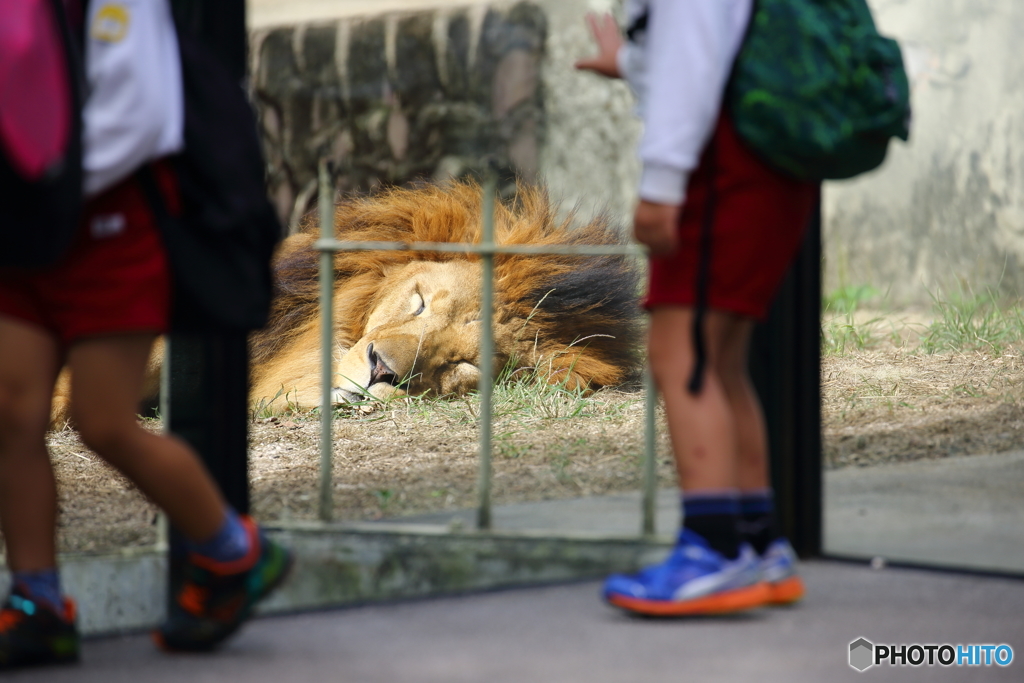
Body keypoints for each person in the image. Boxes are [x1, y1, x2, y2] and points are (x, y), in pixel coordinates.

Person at [0, 1, 291, 668]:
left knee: (102, 421)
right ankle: (37, 604)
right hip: (19, 231)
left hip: (107, 226)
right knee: (11, 415)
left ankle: (234, 551)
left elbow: (140, 114)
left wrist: (44, 184)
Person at [576, 0, 818, 615]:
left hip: (722, 171)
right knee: (722, 359)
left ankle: (713, 552)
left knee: (681, 352)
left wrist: (659, 186)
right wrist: (630, 60)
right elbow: (711, 47)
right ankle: (758, 542)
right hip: (763, 164)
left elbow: (693, 65)